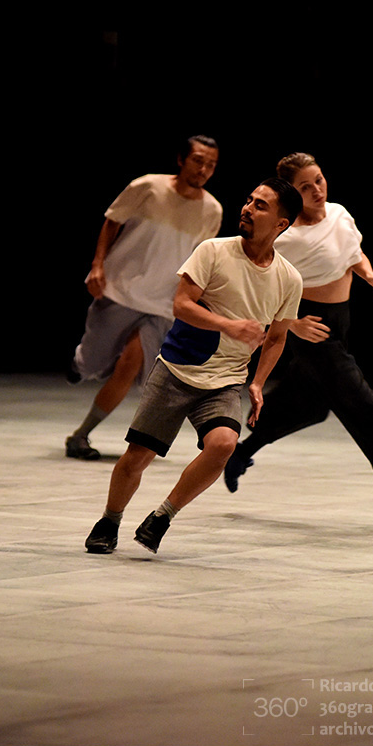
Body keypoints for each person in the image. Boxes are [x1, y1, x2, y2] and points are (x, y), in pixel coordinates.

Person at [84, 177, 304, 554]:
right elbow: (181, 305)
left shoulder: (289, 278)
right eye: (249, 200)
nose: (247, 208)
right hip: (177, 369)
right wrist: (229, 325)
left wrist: (257, 383)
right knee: (137, 457)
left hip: (225, 381)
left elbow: (277, 337)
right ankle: (110, 519)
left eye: (260, 205)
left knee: (224, 444)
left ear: (281, 224)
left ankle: (162, 516)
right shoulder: (213, 251)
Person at [224, 153, 373, 526]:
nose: (316, 190)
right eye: (305, 186)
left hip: (339, 324)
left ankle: (240, 452)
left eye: (319, 180)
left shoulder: (340, 214)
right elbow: (262, 287)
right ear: (291, 193)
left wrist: (369, 275)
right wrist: (292, 324)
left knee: (310, 407)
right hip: (314, 330)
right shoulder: (286, 237)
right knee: (368, 411)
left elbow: (353, 254)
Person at [65, 135, 222, 460]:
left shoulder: (212, 210)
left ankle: (80, 436)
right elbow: (113, 220)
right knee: (92, 361)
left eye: (211, 165)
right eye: (198, 160)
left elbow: (200, 258)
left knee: (130, 364)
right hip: (121, 289)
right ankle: (81, 362)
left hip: (163, 304)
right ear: (181, 159)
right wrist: (98, 265)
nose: (204, 169)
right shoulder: (148, 186)